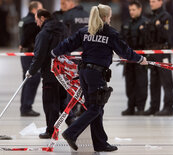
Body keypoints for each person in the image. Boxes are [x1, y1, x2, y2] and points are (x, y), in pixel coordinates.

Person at [51, 4, 148, 152]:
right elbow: (125, 51)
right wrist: (140, 59)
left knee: (96, 108)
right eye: (109, 16)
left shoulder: (85, 31)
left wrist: (53, 52)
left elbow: (68, 44)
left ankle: (100, 143)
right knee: (96, 108)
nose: (110, 18)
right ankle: (71, 133)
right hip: (96, 75)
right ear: (105, 17)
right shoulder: (110, 33)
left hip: (83, 72)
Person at [26, 9, 73, 139]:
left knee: (50, 102)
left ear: (42, 18)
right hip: (64, 71)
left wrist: (31, 71)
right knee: (63, 100)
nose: (36, 24)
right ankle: (73, 123)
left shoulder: (44, 34)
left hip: (50, 73)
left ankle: (51, 130)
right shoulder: (63, 28)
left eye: (37, 20)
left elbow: (39, 55)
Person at [143, 0, 173, 116]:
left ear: (161, 2)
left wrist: (159, 26)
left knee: (167, 81)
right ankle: (154, 107)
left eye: (154, 1)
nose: (151, 3)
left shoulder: (166, 17)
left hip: (163, 52)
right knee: (154, 81)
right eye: (150, 1)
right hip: (153, 52)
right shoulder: (151, 17)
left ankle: (168, 107)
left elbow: (168, 36)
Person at [120, 0, 148, 116]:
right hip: (129, 59)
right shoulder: (126, 23)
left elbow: (148, 41)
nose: (131, 12)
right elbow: (121, 40)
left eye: (133, 10)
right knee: (129, 83)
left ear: (140, 9)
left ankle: (140, 108)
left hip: (141, 58)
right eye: (130, 10)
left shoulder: (146, 23)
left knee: (141, 83)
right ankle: (130, 107)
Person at [18, 1, 42, 117]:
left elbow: (22, 38)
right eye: (41, 8)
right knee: (32, 79)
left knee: (26, 80)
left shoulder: (23, 19)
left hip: (24, 53)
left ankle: (25, 106)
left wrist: (21, 44)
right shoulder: (32, 22)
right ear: (35, 9)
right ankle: (26, 107)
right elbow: (27, 38)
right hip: (30, 53)